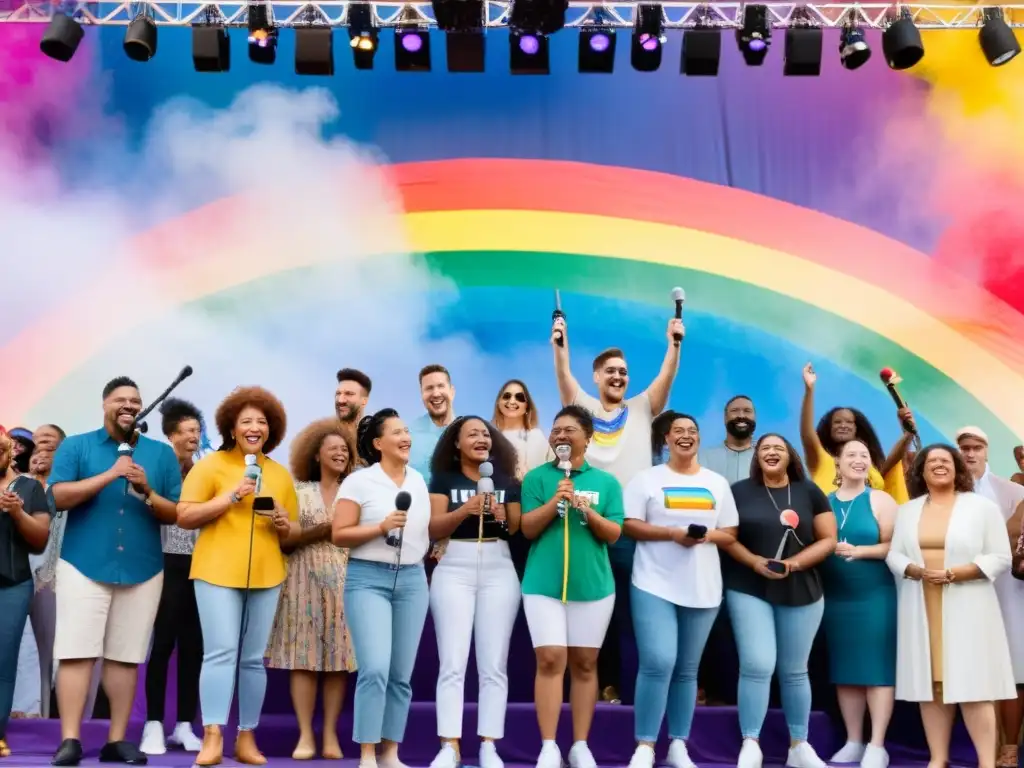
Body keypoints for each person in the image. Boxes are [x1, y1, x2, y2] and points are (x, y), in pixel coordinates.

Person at [48, 377, 182, 767]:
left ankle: (117, 740)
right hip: (83, 563)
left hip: (143, 566)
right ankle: (70, 739)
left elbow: (174, 512)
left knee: (125, 656)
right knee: (76, 652)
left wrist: (145, 490)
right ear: (104, 404)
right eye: (120, 400)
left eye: (135, 401)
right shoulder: (76, 446)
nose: (128, 405)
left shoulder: (160, 454)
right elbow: (56, 496)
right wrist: (111, 474)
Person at [551, 314, 682, 703]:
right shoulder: (582, 408)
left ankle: (636, 689)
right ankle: (599, 688)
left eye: (623, 372)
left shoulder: (642, 408)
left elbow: (665, 379)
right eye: (610, 371)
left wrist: (674, 344)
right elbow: (562, 370)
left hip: (630, 531)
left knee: (631, 614)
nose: (619, 377)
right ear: (596, 377)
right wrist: (560, 340)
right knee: (590, 613)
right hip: (584, 529)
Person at [177, 386, 301, 766]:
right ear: (231, 428)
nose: (254, 427)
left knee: (251, 659)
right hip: (215, 572)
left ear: (271, 430)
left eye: (262, 422)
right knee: (220, 653)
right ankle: (212, 735)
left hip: (266, 574)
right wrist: (230, 497)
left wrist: (283, 523)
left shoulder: (279, 474)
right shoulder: (210, 467)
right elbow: (184, 515)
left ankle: (247, 737)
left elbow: (293, 535)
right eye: (246, 420)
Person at [887, 445, 1015, 768]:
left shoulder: (982, 508)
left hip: (968, 605)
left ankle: (986, 761)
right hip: (922, 606)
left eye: (946, 460)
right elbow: (894, 554)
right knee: (932, 687)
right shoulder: (908, 511)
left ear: (958, 469)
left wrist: (954, 574)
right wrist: (913, 570)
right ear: (921, 471)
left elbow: (1001, 556)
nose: (939, 465)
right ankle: (938, 759)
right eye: (932, 462)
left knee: (975, 686)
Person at [622, 413, 738, 768]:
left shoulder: (716, 482)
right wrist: (672, 534)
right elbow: (630, 525)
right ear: (666, 439)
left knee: (688, 669)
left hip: (702, 588)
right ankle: (645, 744)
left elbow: (730, 533)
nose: (686, 436)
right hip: (653, 583)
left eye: (692, 431)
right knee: (658, 662)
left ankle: (678, 744)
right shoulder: (646, 479)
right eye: (679, 431)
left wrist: (702, 536)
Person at [722, 433, 837, 768]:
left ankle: (798, 746)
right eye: (765, 448)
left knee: (795, 670)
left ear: (790, 456)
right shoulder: (739, 491)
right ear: (757, 456)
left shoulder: (809, 491)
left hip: (802, 588)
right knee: (757, 664)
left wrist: (795, 564)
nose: (771, 452)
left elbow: (828, 540)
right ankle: (751, 742)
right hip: (748, 585)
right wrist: (755, 562)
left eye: (778, 448)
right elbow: (727, 539)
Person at [519, 405, 625, 768]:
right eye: (556, 430)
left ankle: (580, 744)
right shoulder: (537, 479)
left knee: (584, 663)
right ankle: (549, 745)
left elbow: (613, 533)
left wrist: (587, 511)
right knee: (550, 659)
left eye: (569, 430)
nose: (560, 436)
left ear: (587, 437)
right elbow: (528, 528)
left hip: (593, 587)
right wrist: (556, 501)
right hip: (542, 584)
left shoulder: (606, 482)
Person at [333, 409, 431, 768]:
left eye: (407, 431)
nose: (406, 436)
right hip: (367, 578)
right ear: (378, 444)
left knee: (400, 675)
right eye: (396, 432)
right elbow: (339, 534)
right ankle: (367, 755)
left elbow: (423, 531)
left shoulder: (418, 480)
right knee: (374, 668)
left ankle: (391, 754)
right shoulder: (358, 482)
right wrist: (381, 527)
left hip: (411, 580)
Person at [426, 417, 522, 768]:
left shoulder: (507, 481)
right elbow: (433, 527)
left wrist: (500, 513)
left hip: (498, 564)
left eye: (485, 433)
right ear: (456, 443)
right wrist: (465, 509)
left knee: (494, 664)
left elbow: (516, 527)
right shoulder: (443, 480)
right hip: (454, 565)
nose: (481, 438)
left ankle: (488, 745)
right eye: (473, 434)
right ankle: (449, 745)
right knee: (452, 662)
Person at [267, 419, 358, 761]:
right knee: (303, 659)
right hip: (302, 579)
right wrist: (323, 529)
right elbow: (286, 539)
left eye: (344, 449)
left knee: (338, 660)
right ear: (316, 454)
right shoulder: (298, 491)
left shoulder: (356, 493)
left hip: (347, 581)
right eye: (332, 447)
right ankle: (305, 734)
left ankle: (331, 733)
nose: (340, 452)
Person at [819, 440, 899, 768]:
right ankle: (853, 740)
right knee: (846, 669)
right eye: (850, 454)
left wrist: (859, 552)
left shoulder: (881, 500)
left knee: (877, 669)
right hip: (836, 597)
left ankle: (877, 744)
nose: (858, 460)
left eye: (864, 455)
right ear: (837, 463)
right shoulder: (823, 503)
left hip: (875, 594)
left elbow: (895, 545)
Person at [141, 398, 207, 756]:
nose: (194, 435)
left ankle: (184, 724)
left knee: (194, 648)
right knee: (163, 643)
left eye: (198, 429)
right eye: (187, 430)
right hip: (164, 562)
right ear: (171, 434)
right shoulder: (158, 468)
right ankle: (153, 723)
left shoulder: (205, 470)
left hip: (199, 565)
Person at [955, 426, 1024, 767]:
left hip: (1009, 592)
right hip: (963, 592)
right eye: (964, 447)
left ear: (986, 451)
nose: (970, 453)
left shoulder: (1012, 490)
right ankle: (985, 748)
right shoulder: (945, 493)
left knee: (1014, 672)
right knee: (975, 673)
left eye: (976, 447)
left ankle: (1010, 747)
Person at [0, 432, 50, 759]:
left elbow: (41, 539)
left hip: (12, 584)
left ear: (10, 453)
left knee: (3, 661)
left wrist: (18, 514)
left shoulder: (29, 489)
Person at [799, 363, 911, 504]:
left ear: (856, 429)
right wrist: (809, 390)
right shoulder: (821, 461)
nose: (843, 425)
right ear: (829, 429)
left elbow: (891, 464)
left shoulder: (870, 469)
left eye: (849, 422)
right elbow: (807, 433)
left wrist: (908, 433)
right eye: (837, 422)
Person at [25, 424, 67, 721]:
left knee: (62, 654)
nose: (40, 452)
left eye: (48, 446)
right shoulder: (17, 487)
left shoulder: (69, 488)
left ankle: (67, 722)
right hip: (20, 580)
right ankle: (33, 717)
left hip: (59, 580)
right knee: (27, 655)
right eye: (35, 447)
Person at [492, 380, 548, 480]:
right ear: (498, 402)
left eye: (519, 397)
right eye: (507, 396)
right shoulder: (489, 436)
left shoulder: (536, 436)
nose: (512, 401)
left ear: (527, 406)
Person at [408, 365, 456, 482]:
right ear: (422, 395)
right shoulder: (408, 436)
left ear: (452, 391)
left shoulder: (470, 431)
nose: (435, 393)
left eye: (441, 386)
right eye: (429, 388)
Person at [702, 396, 757, 484]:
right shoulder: (703, 458)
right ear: (725, 417)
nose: (741, 415)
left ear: (755, 417)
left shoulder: (766, 458)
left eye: (747, 411)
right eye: (734, 410)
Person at [336, 368, 372, 436]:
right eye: (338, 393)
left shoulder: (375, 439)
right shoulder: (322, 438)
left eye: (349, 394)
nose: (340, 400)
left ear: (364, 401)